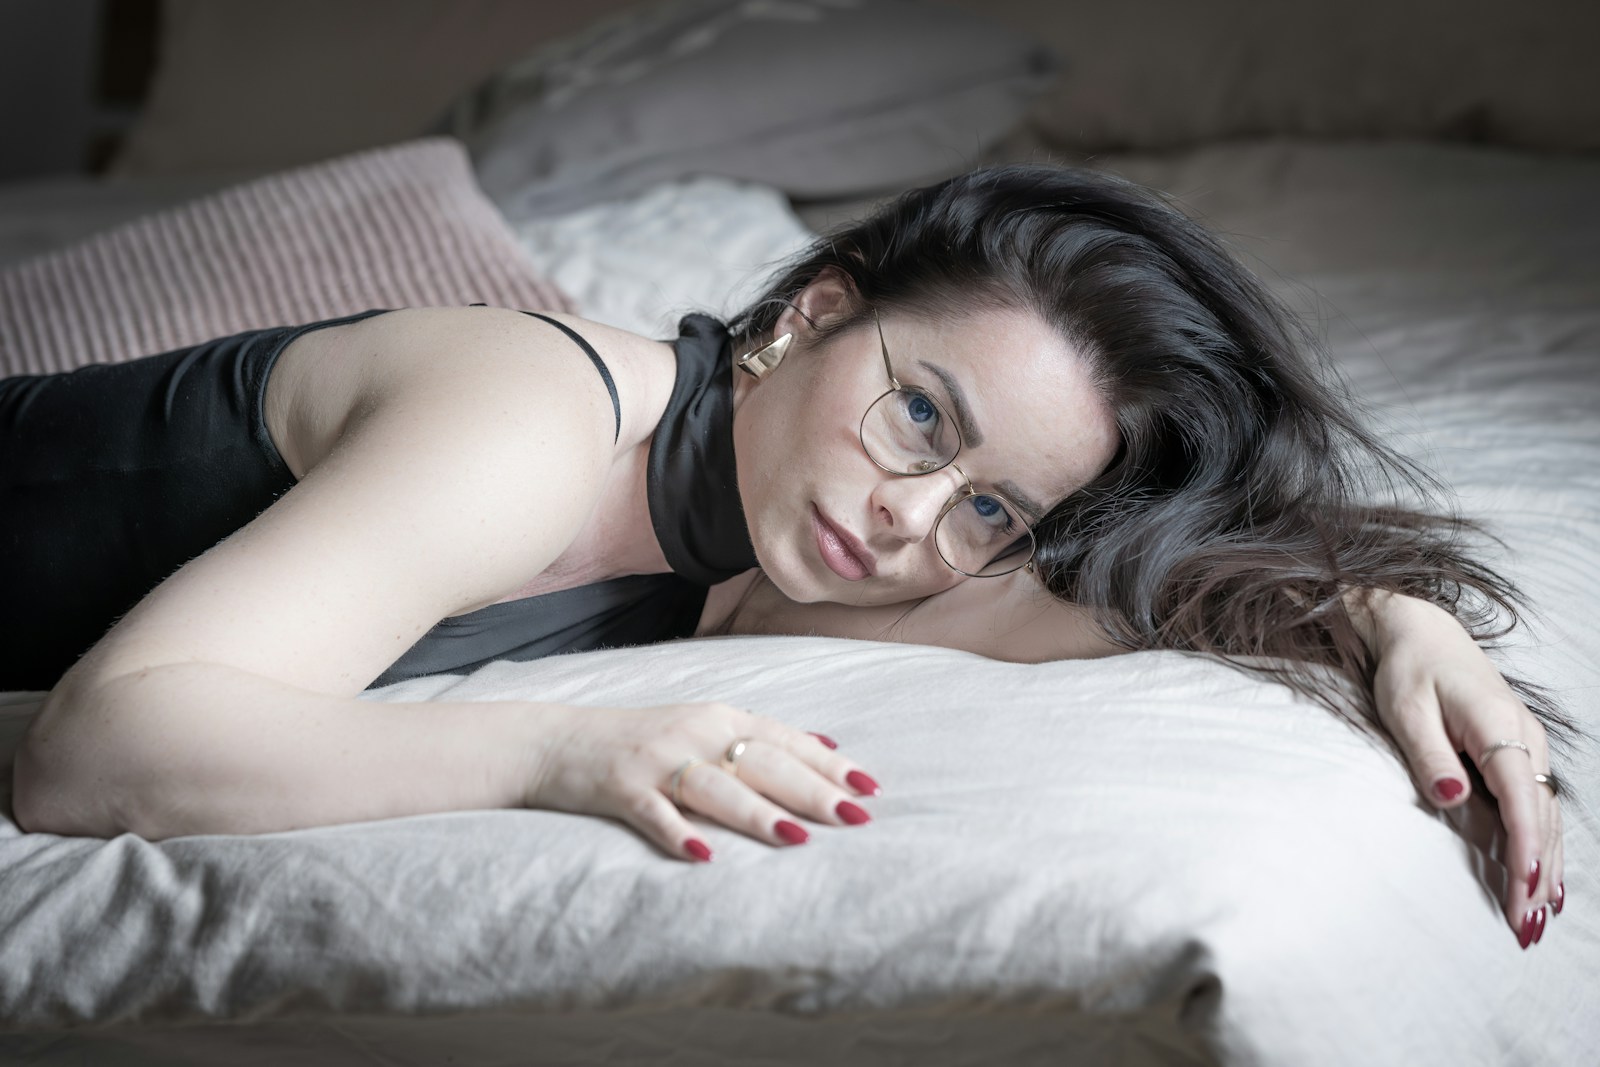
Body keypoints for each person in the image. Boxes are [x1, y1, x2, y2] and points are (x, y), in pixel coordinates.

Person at [4, 163, 1569, 950]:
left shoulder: (760, 554)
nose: (911, 518)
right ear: (818, 312)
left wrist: (1383, 613)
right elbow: (94, 748)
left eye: (986, 507)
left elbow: (1120, 603)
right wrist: (562, 754)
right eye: (918, 415)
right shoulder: (533, 416)